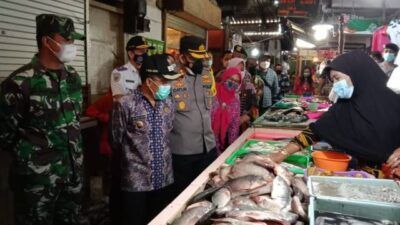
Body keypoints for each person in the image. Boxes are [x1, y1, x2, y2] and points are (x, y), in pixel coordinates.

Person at [0, 14, 85, 225]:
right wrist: (34, 158)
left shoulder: (73, 77)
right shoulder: (20, 82)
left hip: (72, 176)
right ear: (47, 41)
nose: (71, 46)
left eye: (73, 41)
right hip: (37, 183)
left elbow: (75, 119)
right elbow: (5, 135)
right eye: (67, 40)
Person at [268, 51, 400, 171]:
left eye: (337, 78)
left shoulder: (395, 100)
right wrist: (281, 154)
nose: (336, 85)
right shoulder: (346, 105)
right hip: (362, 177)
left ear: (356, 72)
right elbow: (315, 131)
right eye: (333, 81)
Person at [110, 54, 182, 225]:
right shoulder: (125, 104)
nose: (168, 86)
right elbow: (116, 140)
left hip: (164, 178)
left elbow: (168, 131)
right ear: (149, 81)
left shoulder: (168, 103)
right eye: (164, 81)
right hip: (136, 183)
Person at [170, 36, 217, 196]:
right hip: (183, 152)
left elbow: (211, 105)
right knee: (182, 196)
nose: (198, 62)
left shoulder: (206, 75)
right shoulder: (170, 77)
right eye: (193, 58)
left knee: (207, 193)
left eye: (200, 57)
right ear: (181, 56)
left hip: (208, 146)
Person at [110, 36, 153, 101]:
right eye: (141, 51)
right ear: (130, 54)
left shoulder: (150, 71)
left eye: (146, 51)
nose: (145, 55)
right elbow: (119, 99)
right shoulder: (119, 73)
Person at [211, 67, 242, 154]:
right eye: (231, 79)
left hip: (223, 142)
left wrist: (233, 150)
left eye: (236, 81)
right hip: (207, 143)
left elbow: (234, 127)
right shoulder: (212, 94)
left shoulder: (235, 102)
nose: (233, 82)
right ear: (225, 77)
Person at [227, 57, 258, 131]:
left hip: (243, 126)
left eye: (242, 70)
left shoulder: (248, 86)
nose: (239, 72)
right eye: (235, 69)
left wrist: (245, 117)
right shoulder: (223, 87)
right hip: (225, 126)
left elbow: (255, 107)